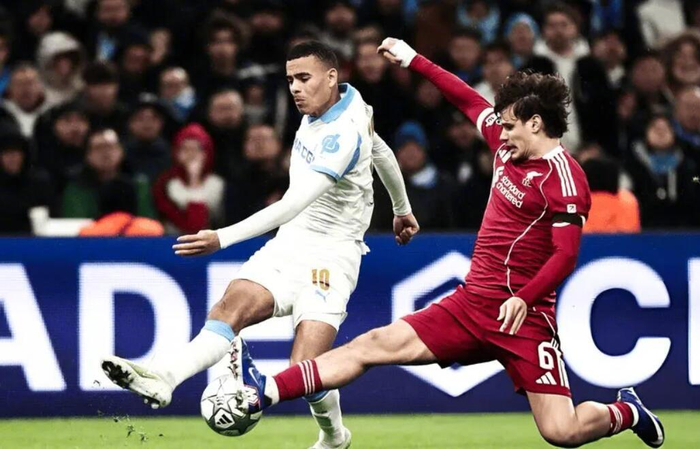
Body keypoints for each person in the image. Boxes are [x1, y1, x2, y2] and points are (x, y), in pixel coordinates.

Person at [230, 38, 666, 449]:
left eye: (509, 126)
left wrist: (525, 298)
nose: (500, 133)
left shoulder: (566, 180)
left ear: (535, 123)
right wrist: (413, 59)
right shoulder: (507, 147)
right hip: (471, 306)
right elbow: (466, 99)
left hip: (525, 321)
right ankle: (262, 392)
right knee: (372, 344)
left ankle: (625, 411)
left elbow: (566, 255)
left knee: (561, 432)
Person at [100, 41, 419, 449]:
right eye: (290, 80)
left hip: (332, 258)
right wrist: (402, 208)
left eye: (304, 78)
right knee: (229, 308)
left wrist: (222, 237)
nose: (295, 88)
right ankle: (165, 378)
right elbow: (381, 150)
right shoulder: (351, 102)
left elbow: (290, 205)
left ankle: (335, 437)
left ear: (331, 77)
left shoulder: (341, 135)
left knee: (305, 368)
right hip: (290, 245)